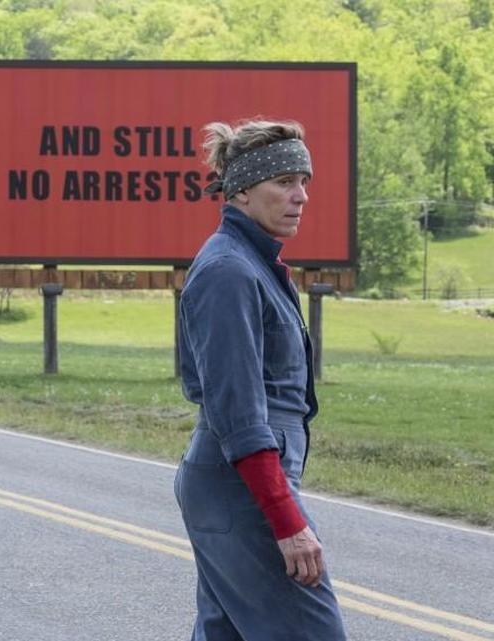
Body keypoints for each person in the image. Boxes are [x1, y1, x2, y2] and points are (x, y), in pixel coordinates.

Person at [174, 118, 347, 641]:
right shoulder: (230, 272)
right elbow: (240, 415)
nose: (301, 197)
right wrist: (286, 519)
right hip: (240, 486)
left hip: (233, 485)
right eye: (285, 182)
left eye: (305, 183)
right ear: (242, 191)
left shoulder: (251, 263)